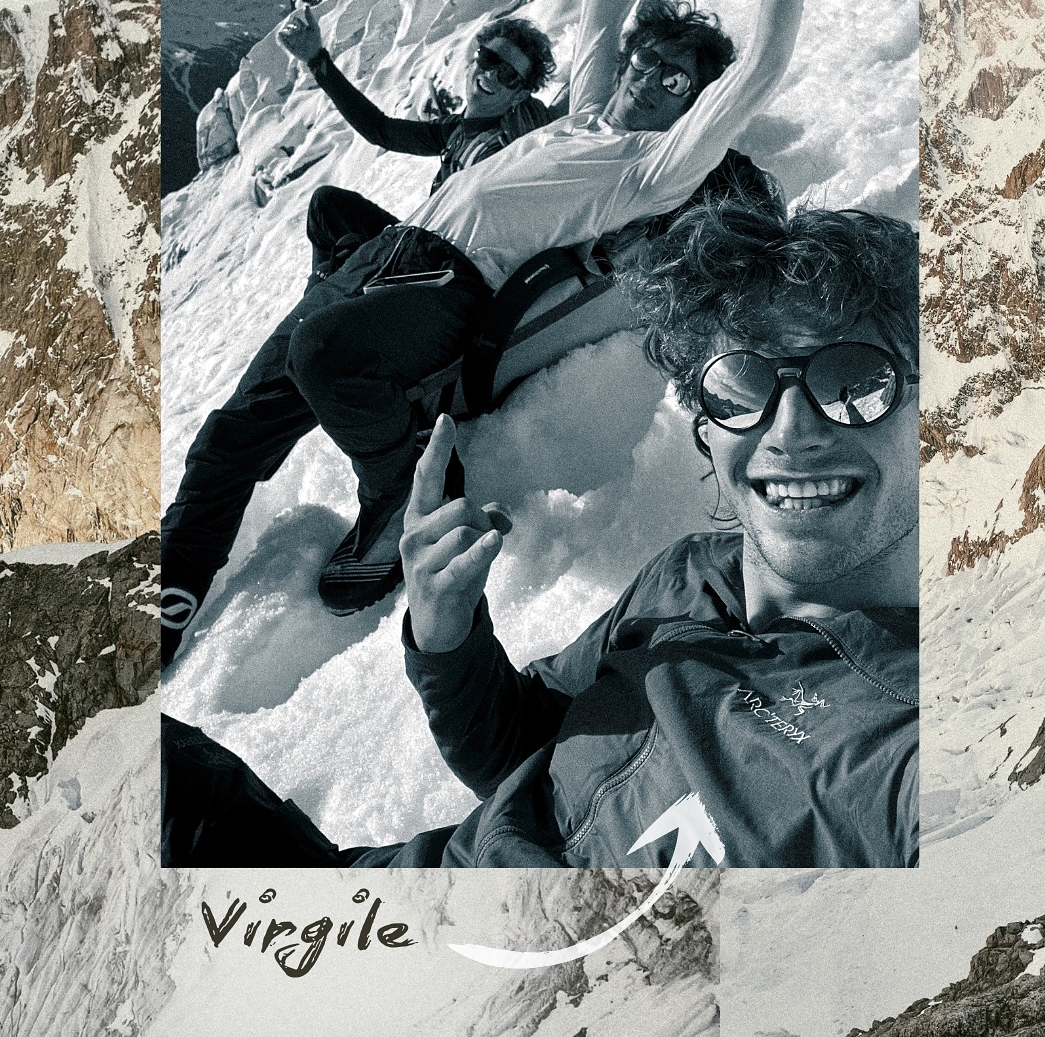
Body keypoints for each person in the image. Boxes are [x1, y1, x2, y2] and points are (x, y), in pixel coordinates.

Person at [161, 0, 808, 663]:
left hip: (450, 287)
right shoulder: (587, 115)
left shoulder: (655, 166)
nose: (646, 77)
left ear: (692, 102)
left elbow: (755, 73)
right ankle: (163, 608)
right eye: (645, 60)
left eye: (674, 78)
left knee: (319, 352)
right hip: (386, 262)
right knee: (230, 436)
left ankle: (402, 501)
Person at [161, 197, 919, 869]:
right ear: (706, 422)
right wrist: (449, 634)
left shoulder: (903, 742)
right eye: (743, 383)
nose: (790, 431)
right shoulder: (688, 575)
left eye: (857, 383)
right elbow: (521, 752)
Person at [279, 13, 558, 287]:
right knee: (326, 205)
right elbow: (381, 130)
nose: (491, 74)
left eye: (508, 74)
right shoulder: (456, 130)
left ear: (519, 95)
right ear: (475, 58)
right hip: (418, 242)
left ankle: (322, 303)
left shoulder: (503, 149)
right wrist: (317, 60)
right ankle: (318, 300)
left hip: (437, 270)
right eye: (489, 59)